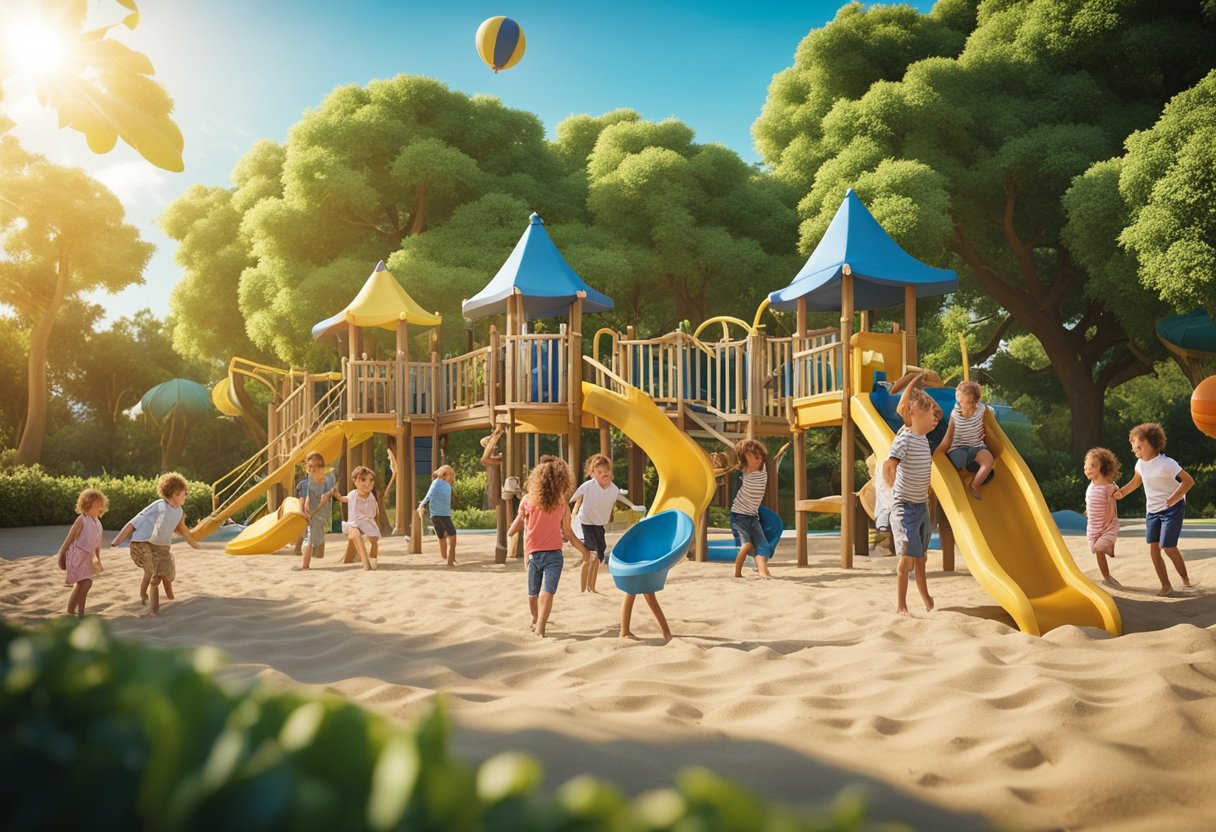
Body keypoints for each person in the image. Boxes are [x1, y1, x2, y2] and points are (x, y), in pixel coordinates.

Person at [506, 455, 590, 637]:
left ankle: (540, 627)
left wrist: (512, 532)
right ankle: (536, 619)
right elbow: (569, 534)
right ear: (562, 482)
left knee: (542, 592)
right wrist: (584, 551)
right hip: (543, 555)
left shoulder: (532, 501)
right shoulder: (541, 502)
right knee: (536, 594)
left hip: (547, 556)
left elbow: (519, 525)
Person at [1115, 423, 1195, 596]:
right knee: (1153, 548)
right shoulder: (1140, 465)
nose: (1134, 450)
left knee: (1168, 547)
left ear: (1151, 443)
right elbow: (1136, 482)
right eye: (1133, 448)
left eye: (1138, 447)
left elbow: (1188, 481)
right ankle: (1166, 586)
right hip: (1152, 511)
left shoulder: (1166, 463)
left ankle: (1185, 578)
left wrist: (1174, 498)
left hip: (1173, 508)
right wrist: (1121, 493)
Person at [111, 472, 202, 616]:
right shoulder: (159, 505)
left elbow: (184, 530)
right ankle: (151, 606)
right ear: (175, 493)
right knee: (155, 577)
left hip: (165, 548)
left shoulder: (179, 511)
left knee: (167, 575)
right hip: (152, 545)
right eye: (184, 493)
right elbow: (135, 521)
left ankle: (171, 598)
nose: (186, 495)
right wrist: (118, 539)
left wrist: (195, 545)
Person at [885, 387, 939, 616]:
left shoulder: (925, 440)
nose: (936, 420)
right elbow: (891, 463)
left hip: (921, 506)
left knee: (921, 558)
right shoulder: (905, 437)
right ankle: (901, 606)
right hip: (904, 506)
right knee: (907, 558)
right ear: (916, 413)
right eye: (932, 416)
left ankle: (925, 597)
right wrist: (890, 475)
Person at [571, 453, 620, 593]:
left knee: (598, 557)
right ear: (593, 473)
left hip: (597, 526)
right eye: (599, 472)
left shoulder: (610, 489)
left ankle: (591, 587)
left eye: (606, 471)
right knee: (589, 556)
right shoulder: (588, 487)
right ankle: (582, 590)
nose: (604, 474)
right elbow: (574, 500)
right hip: (584, 525)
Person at [939, 380, 994, 499]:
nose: (961, 405)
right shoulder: (955, 414)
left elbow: (990, 422)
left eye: (966, 402)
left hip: (976, 447)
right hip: (957, 448)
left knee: (988, 460)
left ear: (975, 402)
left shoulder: (982, 410)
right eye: (959, 401)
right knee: (959, 462)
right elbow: (949, 435)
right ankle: (963, 473)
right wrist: (939, 452)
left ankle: (974, 484)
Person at [58, 488, 107, 617]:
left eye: (100, 504)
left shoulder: (98, 523)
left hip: (88, 557)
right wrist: (61, 555)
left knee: (80, 584)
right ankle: (81, 614)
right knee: (86, 583)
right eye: (95, 504)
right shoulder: (82, 519)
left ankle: (70, 610)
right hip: (77, 555)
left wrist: (98, 559)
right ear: (86, 505)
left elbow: (97, 544)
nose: (99, 506)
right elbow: (69, 539)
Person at [731, 438, 771, 579]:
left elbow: (761, 453)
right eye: (756, 457)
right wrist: (747, 447)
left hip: (753, 516)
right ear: (747, 457)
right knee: (747, 545)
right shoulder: (745, 471)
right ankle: (737, 573)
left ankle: (763, 572)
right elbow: (743, 451)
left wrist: (756, 448)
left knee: (763, 546)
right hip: (739, 516)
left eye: (760, 458)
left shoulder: (763, 468)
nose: (759, 460)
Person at [1083, 447, 1122, 587]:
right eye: (1087, 466)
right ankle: (1109, 547)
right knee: (1096, 549)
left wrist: (1111, 520)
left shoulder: (1110, 487)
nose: (1089, 469)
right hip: (1093, 527)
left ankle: (1107, 577)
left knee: (1099, 549)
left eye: (1093, 466)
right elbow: (1089, 502)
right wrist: (1087, 511)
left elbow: (1113, 505)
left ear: (1104, 468)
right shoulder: (1090, 486)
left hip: (1107, 526)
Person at [336, 466, 380, 571]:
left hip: (366, 521)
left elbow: (374, 511)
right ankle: (365, 562)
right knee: (355, 534)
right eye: (363, 480)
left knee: (374, 540)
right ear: (355, 482)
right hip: (354, 523)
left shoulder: (371, 497)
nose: (367, 483)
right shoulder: (352, 494)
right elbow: (345, 499)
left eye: (371, 480)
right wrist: (338, 497)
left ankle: (373, 559)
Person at [299, 451, 337, 570]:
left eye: (312, 466)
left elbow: (324, 498)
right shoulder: (308, 480)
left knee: (310, 538)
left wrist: (312, 513)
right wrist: (303, 512)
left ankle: (305, 565)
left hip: (318, 513)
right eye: (308, 466)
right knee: (309, 537)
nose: (310, 469)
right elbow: (305, 498)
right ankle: (305, 562)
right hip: (312, 512)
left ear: (320, 467)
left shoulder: (328, 478)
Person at [419, 464, 458, 567]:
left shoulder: (447, 485)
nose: (452, 477)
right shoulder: (436, 483)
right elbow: (428, 495)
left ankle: (447, 558)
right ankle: (449, 559)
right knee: (451, 535)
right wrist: (421, 505)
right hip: (439, 515)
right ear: (444, 475)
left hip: (443, 515)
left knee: (443, 536)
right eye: (451, 474)